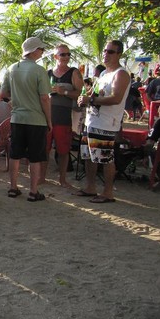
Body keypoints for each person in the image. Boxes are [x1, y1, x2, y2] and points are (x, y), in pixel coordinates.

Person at [76, 40, 131, 203]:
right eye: (105, 51)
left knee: (105, 157)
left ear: (119, 54)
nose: (106, 54)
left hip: (106, 123)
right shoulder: (103, 74)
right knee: (89, 155)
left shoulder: (120, 74)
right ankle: (90, 187)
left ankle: (108, 193)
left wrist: (91, 100)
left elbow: (116, 98)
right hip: (92, 120)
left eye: (111, 52)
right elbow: (95, 93)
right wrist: (85, 97)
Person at [1, 37, 52, 202]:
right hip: (36, 119)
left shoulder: (11, 68)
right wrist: (49, 120)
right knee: (35, 157)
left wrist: (16, 100)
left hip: (17, 117)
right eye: (41, 49)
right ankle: (33, 191)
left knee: (15, 155)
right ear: (34, 50)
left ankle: (13, 187)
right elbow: (45, 98)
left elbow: (3, 94)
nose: (42, 52)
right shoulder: (39, 71)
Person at [40, 44, 83, 188]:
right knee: (44, 149)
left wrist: (63, 92)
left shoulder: (74, 72)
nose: (66, 57)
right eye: (62, 54)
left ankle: (62, 179)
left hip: (64, 117)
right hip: (47, 117)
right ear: (55, 56)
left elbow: (79, 93)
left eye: (68, 54)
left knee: (63, 150)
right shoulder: (48, 73)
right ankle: (42, 177)